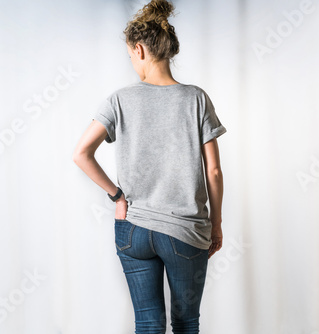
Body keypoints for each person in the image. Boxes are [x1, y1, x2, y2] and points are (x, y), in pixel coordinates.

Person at [72, 0, 226, 332]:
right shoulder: (196, 98)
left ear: (140, 50)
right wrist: (216, 224)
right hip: (186, 231)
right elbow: (213, 170)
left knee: (147, 321)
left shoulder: (119, 100)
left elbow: (82, 152)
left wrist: (118, 196)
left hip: (134, 229)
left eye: (129, 55)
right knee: (186, 322)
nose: (131, 62)